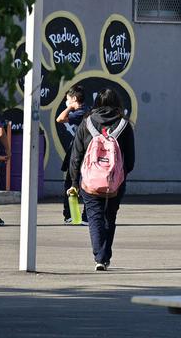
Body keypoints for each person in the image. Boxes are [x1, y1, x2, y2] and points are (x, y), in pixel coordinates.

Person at [68, 88, 135, 270]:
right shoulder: (124, 125)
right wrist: (120, 175)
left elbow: (76, 156)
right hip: (116, 181)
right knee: (109, 217)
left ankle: (99, 257)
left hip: (90, 181)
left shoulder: (86, 123)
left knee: (94, 217)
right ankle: (105, 256)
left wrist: (74, 182)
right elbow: (130, 159)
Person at [57, 85, 89, 224]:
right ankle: (82, 216)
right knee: (85, 183)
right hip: (83, 152)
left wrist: (70, 107)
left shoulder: (80, 112)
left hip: (78, 154)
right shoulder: (87, 110)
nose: (66, 101)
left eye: (68, 99)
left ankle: (70, 215)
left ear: (74, 98)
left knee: (71, 183)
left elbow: (60, 119)